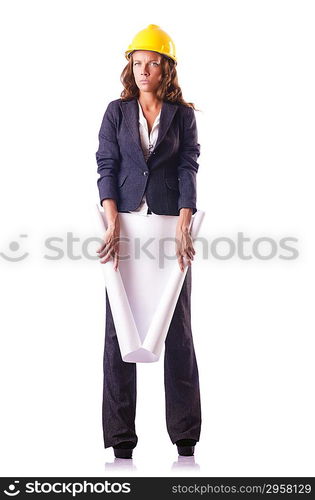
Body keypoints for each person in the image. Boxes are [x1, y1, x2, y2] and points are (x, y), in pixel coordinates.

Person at [95, 24, 202, 459]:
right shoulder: (116, 112)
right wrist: (111, 221)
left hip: (167, 230)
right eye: (137, 63)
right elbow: (106, 164)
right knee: (119, 330)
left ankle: (185, 437)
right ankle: (120, 439)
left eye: (151, 63)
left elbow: (188, 167)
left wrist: (184, 222)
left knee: (177, 331)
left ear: (166, 68)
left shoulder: (183, 115)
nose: (143, 70)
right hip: (122, 230)